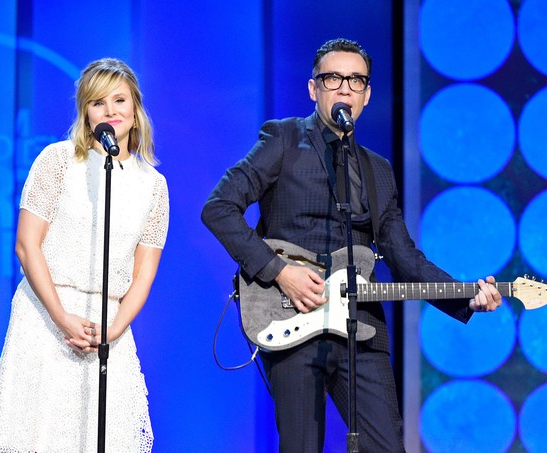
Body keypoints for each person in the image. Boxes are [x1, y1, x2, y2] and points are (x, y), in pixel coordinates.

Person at [201, 38, 502, 452]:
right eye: (333, 78)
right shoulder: (284, 139)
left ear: (367, 94)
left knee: (385, 445)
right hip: (288, 317)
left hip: (361, 326)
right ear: (314, 88)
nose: (345, 88)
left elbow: (403, 256)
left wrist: (467, 297)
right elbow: (219, 208)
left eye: (356, 80)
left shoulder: (378, 170)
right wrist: (280, 271)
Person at [0, 58, 169, 452]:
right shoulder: (58, 160)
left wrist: (114, 329)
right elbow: (26, 245)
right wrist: (61, 317)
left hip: (109, 328)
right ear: (86, 112)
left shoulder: (153, 185)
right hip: (46, 319)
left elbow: (144, 273)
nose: (110, 111)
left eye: (119, 100)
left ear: (135, 110)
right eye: (98, 102)